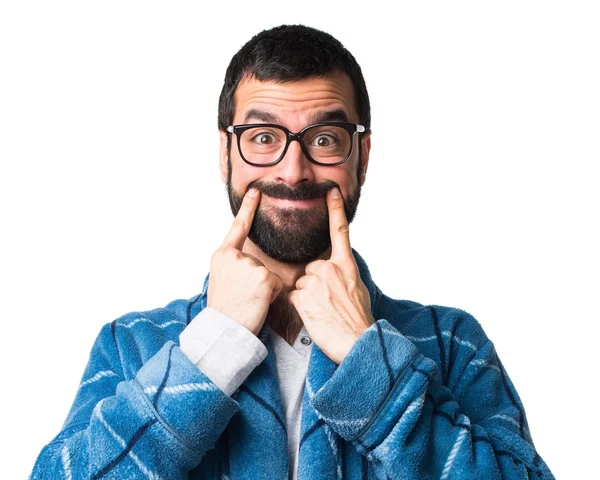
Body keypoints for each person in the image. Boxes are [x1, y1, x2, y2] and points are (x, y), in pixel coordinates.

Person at [30, 24, 554, 479]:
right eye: (263, 138)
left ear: (361, 157)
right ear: (224, 154)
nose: (293, 170)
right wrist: (212, 348)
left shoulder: (450, 343)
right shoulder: (132, 346)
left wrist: (366, 360)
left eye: (324, 139)